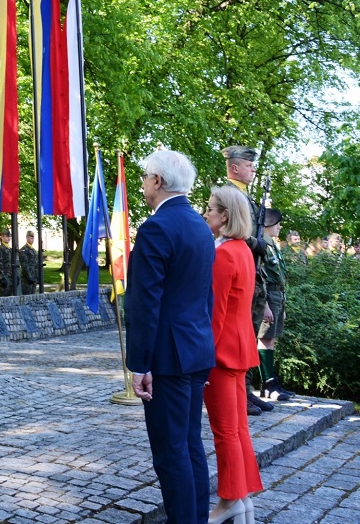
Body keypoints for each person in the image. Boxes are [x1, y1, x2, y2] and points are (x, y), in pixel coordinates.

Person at [125, 150, 216, 524]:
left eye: (146, 176)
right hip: (195, 350)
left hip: (167, 358)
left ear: (158, 181)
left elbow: (145, 303)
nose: (144, 183)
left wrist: (140, 364)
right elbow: (205, 295)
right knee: (190, 444)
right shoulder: (199, 225)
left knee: (170, 451)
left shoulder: (156, 228)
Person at [202, 184, 263, 524]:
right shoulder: (242, 250)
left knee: (225, 430)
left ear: (224, 216)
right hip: (238, 348)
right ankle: (242, 499)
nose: (206, 213)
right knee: (238, 428)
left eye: (211, 208)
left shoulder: (225, 253)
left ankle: (229, 501)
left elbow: (216, 313)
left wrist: (202, 357)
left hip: (221, 353)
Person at [221, 144, 272, 416]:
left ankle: (247, 391)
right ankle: (240, 393)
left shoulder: (245, 196)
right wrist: (254, 242)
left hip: (252, 271)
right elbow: (228, 229)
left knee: (250, 336)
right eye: (249, 165)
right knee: (241, 335)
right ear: (235, 167)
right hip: (240, 269)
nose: (253, 170)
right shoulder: (228, 195)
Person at [257, 208, 294, 401]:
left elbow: (280, 276)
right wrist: (265, 305)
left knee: (271, 339)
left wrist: (283, 305)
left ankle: (271, 380)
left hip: (277, 295)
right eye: (277, 223)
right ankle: (267, 383)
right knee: (265, 338)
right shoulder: (261, 244)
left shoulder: (272, 245)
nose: (279, 227)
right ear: (268, 224)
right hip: (268, 295)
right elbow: (260, 277)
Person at [0, 230, 17, 298]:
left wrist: (16, 275)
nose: (8, 238)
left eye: (9, 236)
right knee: (3, 297)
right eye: (6, 236)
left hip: (11, 277)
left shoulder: (10, 249)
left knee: (11, 298)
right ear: (2, 237)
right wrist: (2, 277)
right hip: (4, 278)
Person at [20, 230, 41, 294]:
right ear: (27, 238)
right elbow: (24, 265)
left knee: (32, 296)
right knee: (27, 296)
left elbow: (36, 264)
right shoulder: (24, 249)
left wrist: (37, 276)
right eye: (30, 238)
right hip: (27, 279)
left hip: (34, 278)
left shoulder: (33, 250)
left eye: (33, 238)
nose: (32, 240)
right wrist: (29, 277)